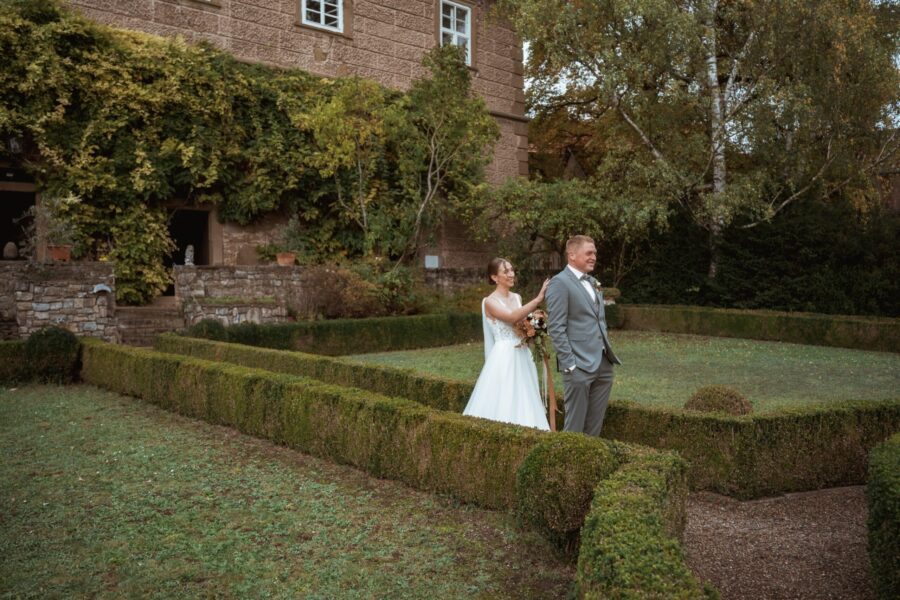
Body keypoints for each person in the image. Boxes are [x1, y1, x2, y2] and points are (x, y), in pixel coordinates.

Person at [463, 258, 551, 430]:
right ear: (495, 277)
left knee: (525, 394)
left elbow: (522, 323)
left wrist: (537, 329)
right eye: (506, 271)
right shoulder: (489, 302)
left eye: (512, 270)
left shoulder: (517, 297)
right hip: (504, 356)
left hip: (523, 353)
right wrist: (538, 299)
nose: (511, 274)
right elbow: (512, 318)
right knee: (505, 395)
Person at [545, 235, 621, 436]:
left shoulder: (594, 282)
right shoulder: (559, 283)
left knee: (594, 427)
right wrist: (570, 364)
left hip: (603, 364)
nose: (594, 257)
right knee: (574, 429)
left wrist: (606, 358)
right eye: (589, 253)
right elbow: (556, 327)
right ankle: (567, 466)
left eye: (594, 253)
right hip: (578, 365)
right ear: (572, 255)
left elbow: (598, 321)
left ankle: (589, 465)